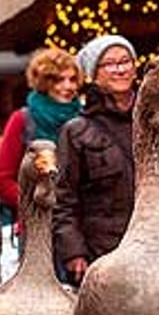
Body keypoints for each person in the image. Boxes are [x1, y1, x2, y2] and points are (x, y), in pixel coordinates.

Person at [52, 34, 139, 286]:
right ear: (93, 74)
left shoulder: (156, 122)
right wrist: (73, 251)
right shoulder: (76, 130)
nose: (120, 69)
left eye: (126, 61)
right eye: (109, 64)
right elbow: (63, 198)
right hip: (102, 251)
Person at [0, 47, 82, 219]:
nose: (68, 86)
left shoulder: (83, 119)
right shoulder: (22, 120)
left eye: (72, 79)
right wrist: (37, 205)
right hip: (33, 221)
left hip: (76, 220)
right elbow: (3, 181)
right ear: (44, 83)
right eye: (59, 80)